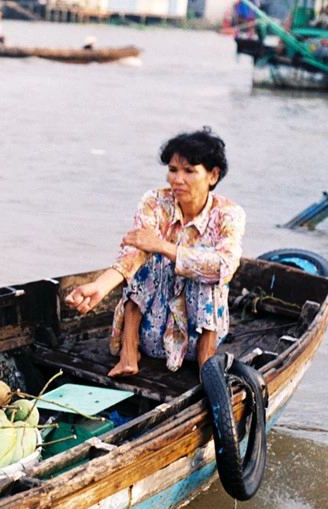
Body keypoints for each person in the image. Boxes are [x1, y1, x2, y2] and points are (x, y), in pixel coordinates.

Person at [64, 128, 245, 379]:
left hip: (196, 338)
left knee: (206, 268)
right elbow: (134, 252)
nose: (177, 179)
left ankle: (207, 366)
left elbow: (224, 266)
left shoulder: (228, 214)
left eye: (189, 171)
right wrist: (100, 286)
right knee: (147, 256)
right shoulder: (155, 202)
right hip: (152, 335)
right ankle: (128, 352)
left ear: (213, 175)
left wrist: (163, 247)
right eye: (173, 170)